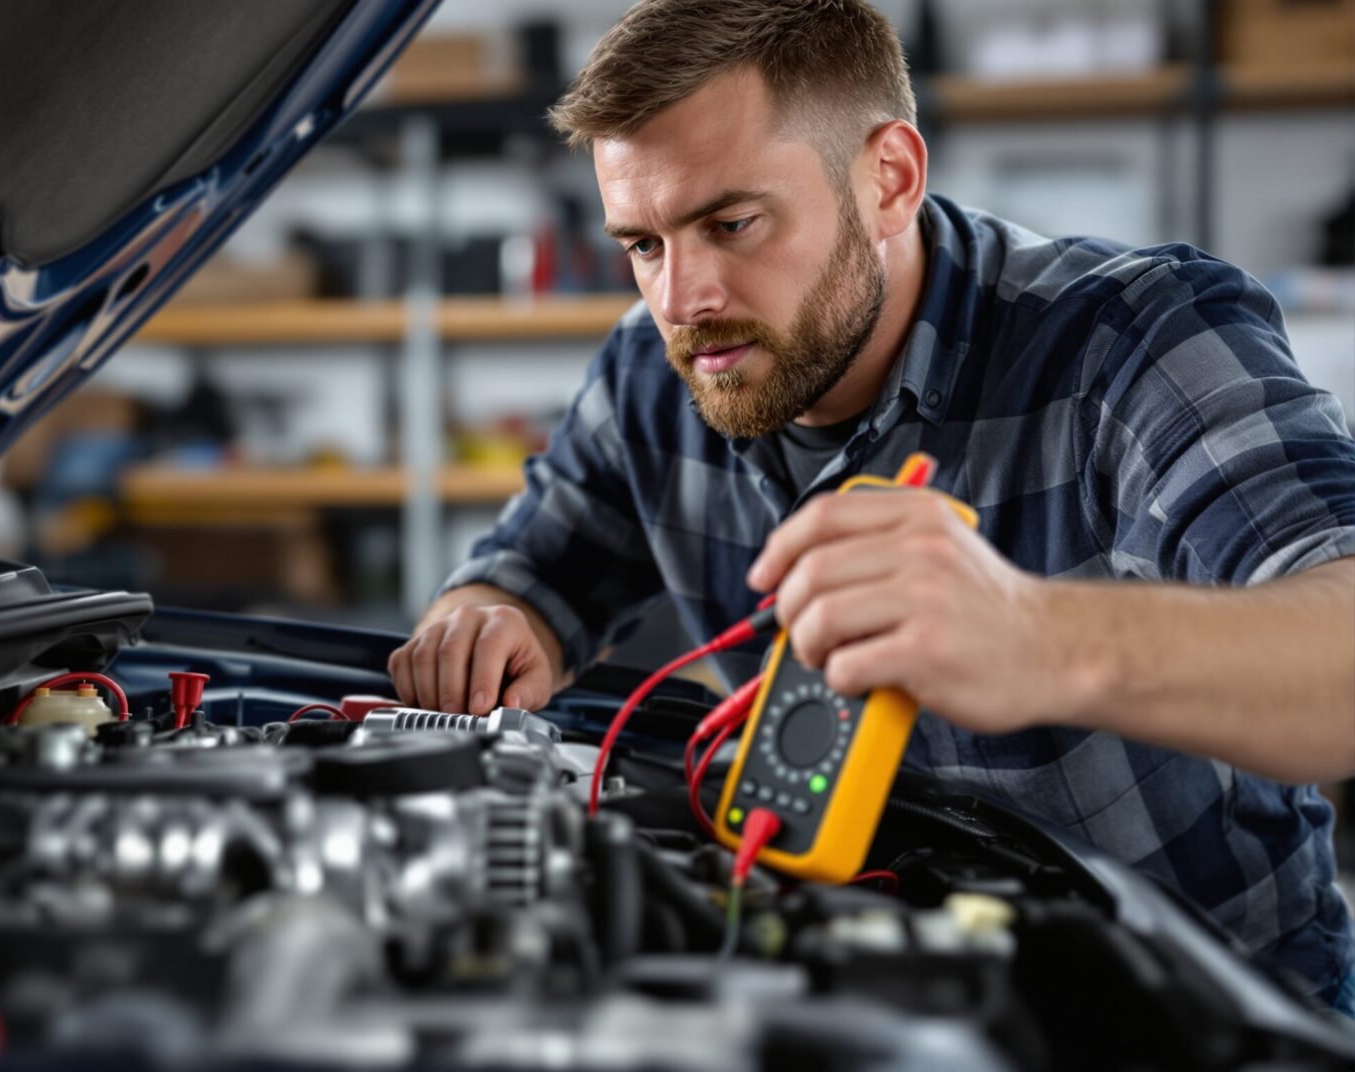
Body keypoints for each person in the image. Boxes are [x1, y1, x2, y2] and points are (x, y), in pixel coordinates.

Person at [386, 0, 1355, 1014]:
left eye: (730, 223)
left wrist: (1037, 636)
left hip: (1186, 1013)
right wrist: (492, 619)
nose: (683, 299)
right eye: (644, 244)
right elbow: (533, 570)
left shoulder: (1132, 338)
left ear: (889, 179)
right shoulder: (658, 366)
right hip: (856, 990)